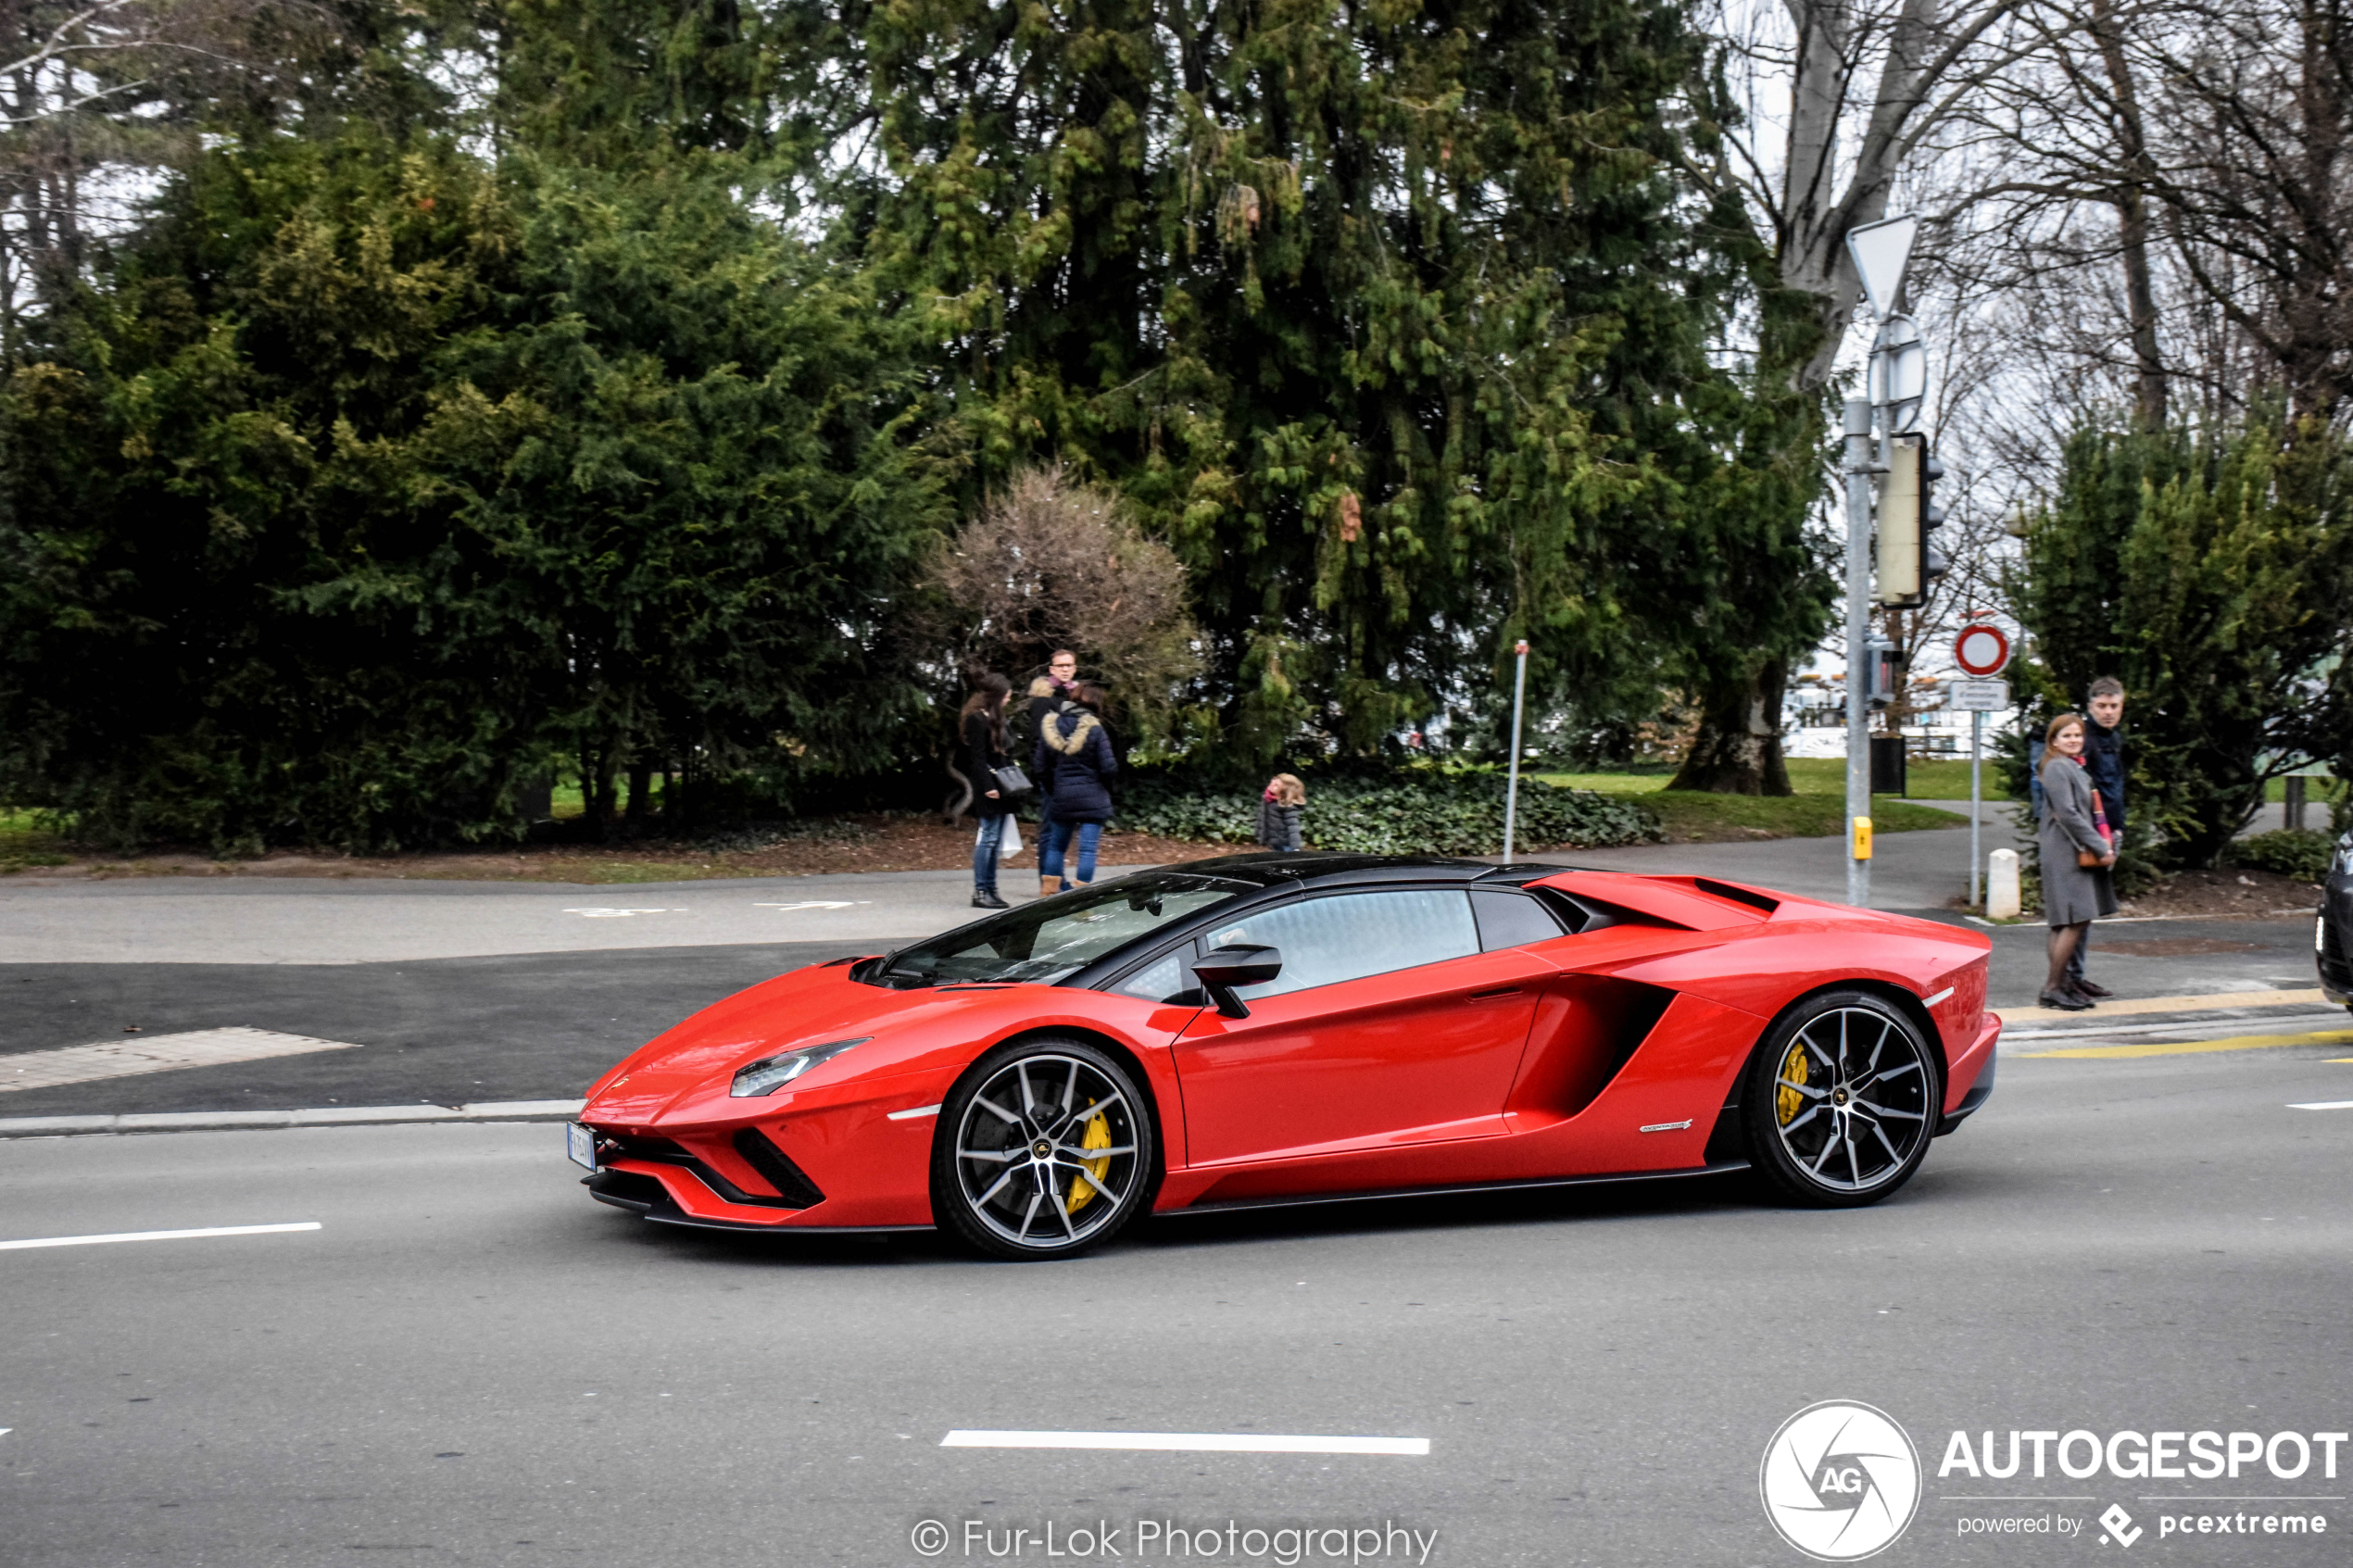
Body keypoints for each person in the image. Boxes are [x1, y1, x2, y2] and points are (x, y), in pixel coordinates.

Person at [2037, 713, 2119, 1010]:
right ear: (2054, 741)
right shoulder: (2058, 767)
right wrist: (2099, 847)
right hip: (2065, 851)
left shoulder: (2068, 766)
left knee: (2066, 921)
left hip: (2065, 849)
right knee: (2075, 918)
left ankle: (2064, 985)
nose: (2074, 740)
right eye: (2067, 736)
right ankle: (2053, 987)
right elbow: (2069, 813)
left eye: (2077, 735)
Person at [2073, 677, 2128, 997]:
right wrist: (2096, 836)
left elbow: (2115, 786)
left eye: (2114, 706)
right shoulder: (2085, 740)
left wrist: (2120, 827)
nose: (2108, 712)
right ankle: (2068, 977)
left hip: (2111, 830)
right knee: (2080, 909)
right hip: (2093, 834)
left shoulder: (2113, 738)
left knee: (2089, 910)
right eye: (2102, 706)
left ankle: (2076, 975)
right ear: (2090, 706)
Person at [1036, 683, 1117, 892]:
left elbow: (1040, 767)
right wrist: (1106, 788)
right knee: (1087, 850)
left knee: (1056, 847)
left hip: (1063, 796)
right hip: (1093, 797)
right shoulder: (1095, 729)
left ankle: (1048, 894)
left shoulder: (1050, 726)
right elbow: (1108, 767)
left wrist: (1054, 789)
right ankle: (1083, 901)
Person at [1026, 648, 1079, 897]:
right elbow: (1038, 741)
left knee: (1064, 829)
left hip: (1072, 773)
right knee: (1050, 829)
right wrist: (1045, 775)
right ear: (1052, 669)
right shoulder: (1042, 699)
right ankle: (1049, 883)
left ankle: (1058, 879)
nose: (1065, 669)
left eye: (1069, 665)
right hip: (1052, 774)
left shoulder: (1076, 697)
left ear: (1074, 668)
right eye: (1060, 666)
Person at [960, 672, 1015, 909]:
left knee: (995, 839)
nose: (1009, 700)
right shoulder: (976, 719)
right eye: (1006, 696)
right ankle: (982, 890)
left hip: (1003, 785)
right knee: (988, 838)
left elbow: (1007, 751)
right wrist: (989, 787)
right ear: (997, 695)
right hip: (989, 786)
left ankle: (991, 887)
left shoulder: (996, 719)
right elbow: (978, 759)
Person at [1257, 773, 1305, 851]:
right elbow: (1263, 819)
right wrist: (1262, 836)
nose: (1272, 785)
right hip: (1275, 842)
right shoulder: (1269, 800)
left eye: (1276, 785)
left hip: (1287, 844)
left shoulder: (1287, 806)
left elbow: (1293, 828)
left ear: (1284, 791)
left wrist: (1295, 847)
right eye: (1272, 783)